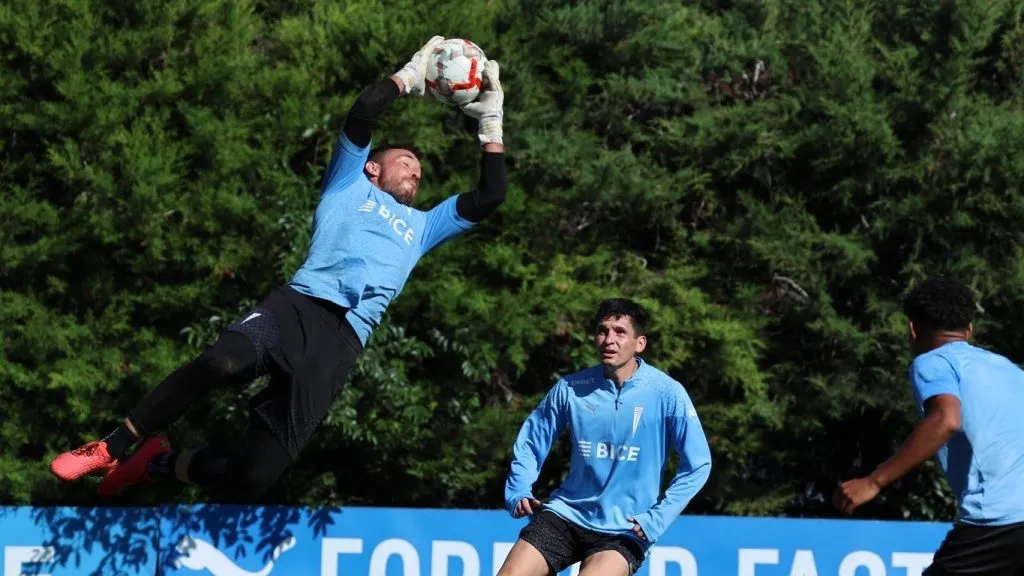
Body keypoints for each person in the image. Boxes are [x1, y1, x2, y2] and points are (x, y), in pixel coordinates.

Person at [49, 35, 507, 501]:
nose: (415, 172)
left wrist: (491, 122)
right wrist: (410, 76)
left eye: (419, 172)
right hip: (299, 306)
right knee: (220, 361)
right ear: (372, 168)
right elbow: (363, 113)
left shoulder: (424, 225)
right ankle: (112, 446)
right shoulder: (347, 184)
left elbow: (489, 197)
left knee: (254, 478)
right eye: (406, 162)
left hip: (341, 345)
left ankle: (158, 462)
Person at [499, 298, 712, 576]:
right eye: (603, 330)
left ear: (640, 343)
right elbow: (532, 440)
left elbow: (698, 465)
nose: (609, 339)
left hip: (625, 529)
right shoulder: (571, 388)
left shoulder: (667, 393)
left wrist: (656, 519)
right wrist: (518, 489)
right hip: (566, 514)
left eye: (620, 332)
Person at [833, 276, 1024, 575]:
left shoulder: (933, 361)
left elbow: (946, 419)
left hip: (1001, 523)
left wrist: (874, 482)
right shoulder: (1007, 368)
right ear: (969, 330)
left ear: (912, 329)